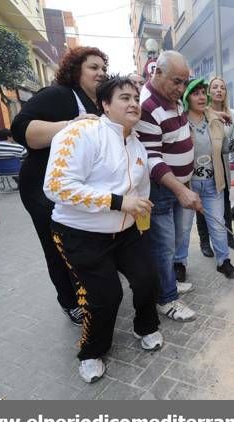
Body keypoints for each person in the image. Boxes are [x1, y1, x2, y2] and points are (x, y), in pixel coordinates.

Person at [44, 75, 163, 383]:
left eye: (136, 98)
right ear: (105, 105)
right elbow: (56, 187)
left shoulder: (136, 144)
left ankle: (145, 326)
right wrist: (117, 201)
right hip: (79, 233)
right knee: (105, 296)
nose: (134, 103)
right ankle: (91, 351)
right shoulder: (82, 132)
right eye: (124, 98)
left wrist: (140, 217)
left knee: (148, 277)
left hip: (126, 232)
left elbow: (140, 193)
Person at [11, 47, 107, 326]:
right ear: (76, 70)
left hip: (76, 188)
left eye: (103, 68)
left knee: (81, 243)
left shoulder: (98, 104)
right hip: (42, 188)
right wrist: (70, 125)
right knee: (56, 247)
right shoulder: (58, 95)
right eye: (93, 67)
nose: (100, 72)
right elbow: (21, 129)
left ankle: (88, 291)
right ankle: (69, 301)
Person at [136, 50, 202, 322]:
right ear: (157, 73)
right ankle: (167, 300)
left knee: (176, 240)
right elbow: (152, 159)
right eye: (177, 81)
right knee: (163, 246)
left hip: (180, 184)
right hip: (162, 189)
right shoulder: (148, 106)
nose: (182, 89)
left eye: (185, 82)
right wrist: (181, 189)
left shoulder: (172, 98)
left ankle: (169, 284)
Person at [174, 78, 234, 281]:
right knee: (183, 228)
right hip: (187, 185)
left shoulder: (215, 120)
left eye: (203, 93)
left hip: (213, 183)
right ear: (187, 97)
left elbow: (225, 147)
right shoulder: (179, 120)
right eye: (195, 93)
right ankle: (179, 263)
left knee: (218, 224)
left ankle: (223, 261)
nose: (201, 97)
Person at [190, 76, 234, 264]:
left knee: (224, 203)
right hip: (202, 168)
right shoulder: (202, 113)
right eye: (214, 87)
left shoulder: (233, 113)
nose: (219, 90)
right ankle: (205, 242)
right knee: (202, 207)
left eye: (222, 87)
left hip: (223, 165)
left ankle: (228, 237)